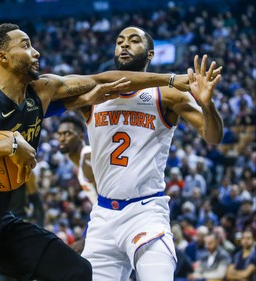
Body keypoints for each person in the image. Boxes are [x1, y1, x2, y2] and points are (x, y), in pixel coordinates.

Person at [0, 23, 192, 281]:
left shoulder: (42, 91)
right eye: (26, 46)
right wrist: (10, 145)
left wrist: (172, 79)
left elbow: (104, 78)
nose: (36, 52)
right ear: (3, 57)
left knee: (77, 272)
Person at [63, 26, 223, 281]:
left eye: (134, 41)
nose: (124, 45)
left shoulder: (167, 94)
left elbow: (213, 137)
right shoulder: (95, 92)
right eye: (119, 41)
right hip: (103, 217)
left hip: (145, 212)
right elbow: (62, 87)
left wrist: (208, 106)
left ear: (150, 55)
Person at [57, 115, 97, 253]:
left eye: (68, 134)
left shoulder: (88, 158)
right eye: (60, 134)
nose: (62, 138)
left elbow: (110, 201)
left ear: (80, 137)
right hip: (108, 218)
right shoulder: (80, 162)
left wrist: (88, 238)